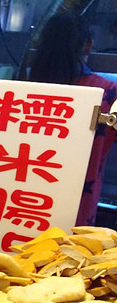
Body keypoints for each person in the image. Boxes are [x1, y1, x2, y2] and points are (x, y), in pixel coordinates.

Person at [29, 11, 117, 226]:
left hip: (26, 197)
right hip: (78, 205)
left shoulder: (25, 89)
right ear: (88, 46)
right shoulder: (107, 91)